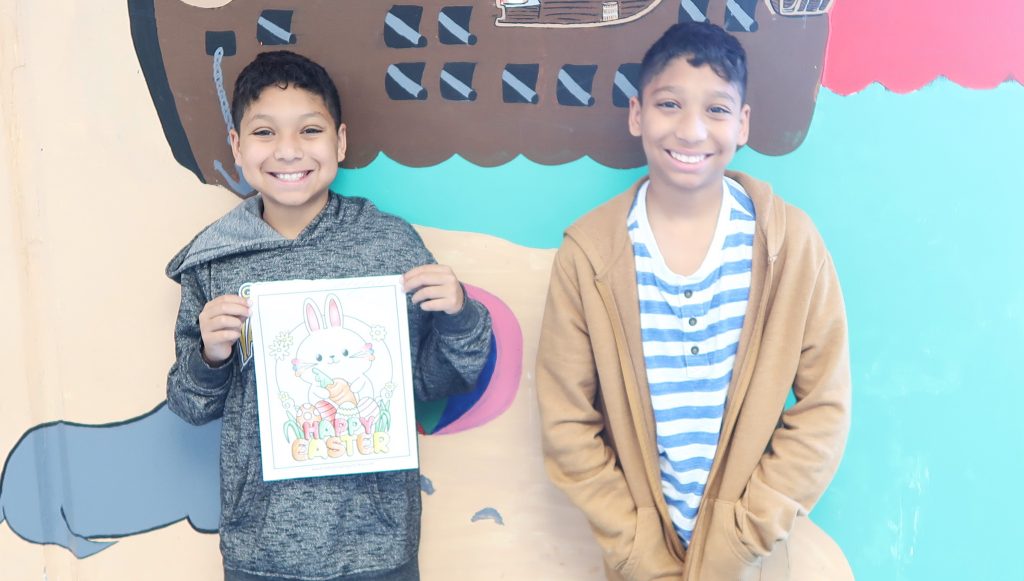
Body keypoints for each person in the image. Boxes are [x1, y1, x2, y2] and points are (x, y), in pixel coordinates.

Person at [536, 21, 851, 580]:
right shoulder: (589, 256)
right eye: (669, 103)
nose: (691, 130)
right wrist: (636, 546)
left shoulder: (791, 245)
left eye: (717, 110)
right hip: (639, 562)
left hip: (751, 560)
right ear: (637, 114)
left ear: (743, 124)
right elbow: (567, 422)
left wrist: (744, 533)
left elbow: (824, 405)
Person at [165, 50, 492, 581]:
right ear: (237, 147)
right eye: (265, 133)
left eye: (309, 130)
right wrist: (208, 355)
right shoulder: (214, 261)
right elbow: (190, 404)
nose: (288, 151)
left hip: (379, 544)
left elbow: (436, 381)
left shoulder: (389, 245)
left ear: (339, 141)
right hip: (262, 548)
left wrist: (459, 316)